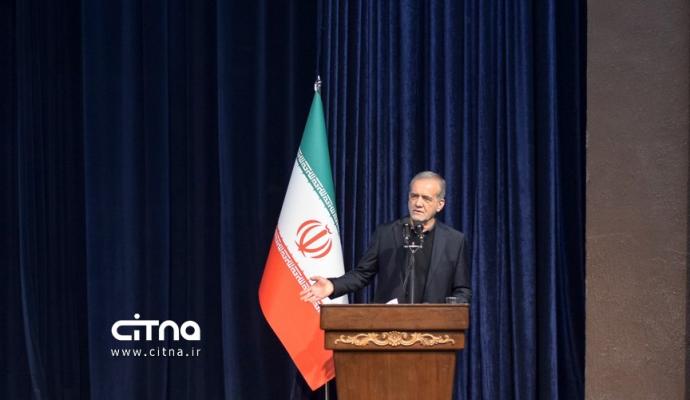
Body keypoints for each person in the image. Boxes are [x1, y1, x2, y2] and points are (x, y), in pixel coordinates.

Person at [300, 171, 471, 305]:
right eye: (414, 196)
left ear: (440, 204)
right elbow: (362, 274)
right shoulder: (387, 234)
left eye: (426, 198)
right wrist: (333, 285)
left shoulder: (454, 241)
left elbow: (462, 290)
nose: (418, 203)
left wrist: (448, 311)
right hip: (390, 327)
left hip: (434, 330)